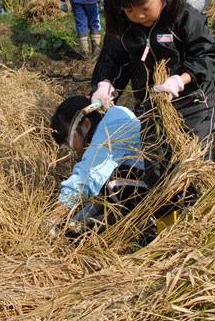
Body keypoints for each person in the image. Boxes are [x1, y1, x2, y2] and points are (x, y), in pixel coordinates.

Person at [91, 0, 215, 188]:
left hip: (194, 103)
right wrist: (106, 85)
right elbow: (115, 61)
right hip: (150, 105)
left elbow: (208, 56)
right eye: (129, 10)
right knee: (155, 168)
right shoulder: (125, 27)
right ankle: (162, 217)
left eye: (144, 7)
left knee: (190, 165)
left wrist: (179, 81)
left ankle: (195, 215)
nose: (138, 16)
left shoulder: (183, 17)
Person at [47, 95, 145, 225]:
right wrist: (79, 219)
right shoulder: (112, 119)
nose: (72, 148)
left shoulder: (109, 131)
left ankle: (143, 227)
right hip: (149, 179)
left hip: (157, 187)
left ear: (86, 124)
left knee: (112, 185)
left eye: (69, 140)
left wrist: (52, 219)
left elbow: (87, 177)